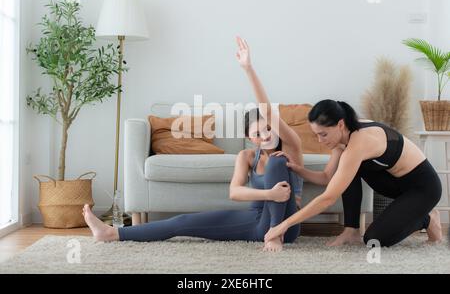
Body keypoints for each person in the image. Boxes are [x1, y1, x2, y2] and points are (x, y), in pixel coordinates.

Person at [82, 36, 304, 252]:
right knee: (183, 222)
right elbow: (235, 192)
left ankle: (276, 233)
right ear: (250, 138)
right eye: (258, 133)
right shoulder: (247, 156)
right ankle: (111, 233)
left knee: (277, 163)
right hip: (256, 222)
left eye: (269, 128)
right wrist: (269, 195)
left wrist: (248, 69)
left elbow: (266, 109)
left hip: (287, 226)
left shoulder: (291, 146)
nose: (265, 136)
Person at [265, 99, 443, 247]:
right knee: (348, 168)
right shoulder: (343, 142)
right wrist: (296, 168)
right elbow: (327, 178)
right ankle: (351, 230)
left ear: (340, 124)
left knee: (374, 239)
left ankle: (427, 218)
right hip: (394, 184)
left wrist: (283, 226)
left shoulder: (360, 142)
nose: (320, 140)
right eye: (316, 135)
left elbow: (328, 198)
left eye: (324, 134)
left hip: (423, 188)